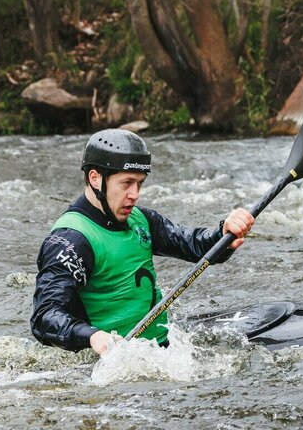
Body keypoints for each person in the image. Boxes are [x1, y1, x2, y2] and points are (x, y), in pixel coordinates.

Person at [30, 129, 254, 355]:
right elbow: (45, 316)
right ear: (95, 178)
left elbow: (195, 246)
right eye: (126, 183)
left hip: (162, 351)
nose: (135, 194)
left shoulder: (141, 220)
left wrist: (223, 233)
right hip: (113, 365)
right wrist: (93, 336)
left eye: (140, 183)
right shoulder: (70, 240)